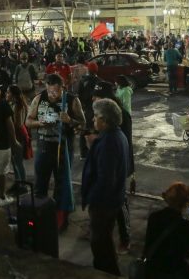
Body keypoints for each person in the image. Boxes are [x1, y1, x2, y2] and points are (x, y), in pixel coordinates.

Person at [26, 73, 85, 231]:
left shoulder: (72, 100)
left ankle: (60, 218)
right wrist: (39, 122)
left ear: (62, 88)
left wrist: (70, 121)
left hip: (63, 147)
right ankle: (41, 214)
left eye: (56, 92)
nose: (53, 95)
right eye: (50, 91)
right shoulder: (38, 99)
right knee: (40, 182)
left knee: (62, 184)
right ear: (46, 87)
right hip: (44, 146)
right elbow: (28, 121)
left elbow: (83, 124)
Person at [81, 98, 130, 276]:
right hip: (112, 200)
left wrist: (91, 200)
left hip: (104, 203)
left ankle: (107, 272)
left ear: (105, 120)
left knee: (100, 244)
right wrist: (94, 145)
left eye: (96, 117)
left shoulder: (109, 142)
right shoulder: (115, 135)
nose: (93, 120)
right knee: (105, 241)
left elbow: (105, 179)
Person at [143, 182, 189, 279]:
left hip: (152, 268)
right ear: (186, 203)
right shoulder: (187, 227)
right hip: (173, 271)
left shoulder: (154, 217)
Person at [6, 84, 31, 186]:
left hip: (18, 134)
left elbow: (18, 123)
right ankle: (19, 182)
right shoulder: (17, 103)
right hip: (19, 133)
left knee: (18, 162)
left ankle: (22, 184)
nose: (6, 94)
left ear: (13, 94)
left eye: (8, 92)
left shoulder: (17, 105)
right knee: (15, 162)